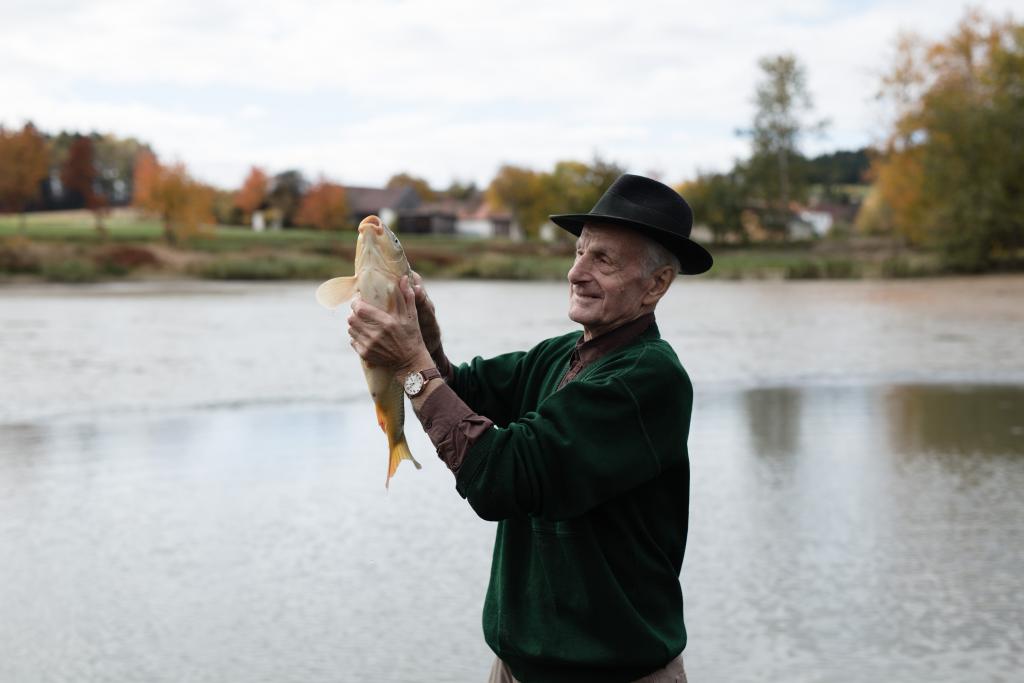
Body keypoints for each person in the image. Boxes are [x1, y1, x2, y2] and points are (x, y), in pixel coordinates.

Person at [347, 174, 712, 683]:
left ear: (657, 284)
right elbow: (461, 391)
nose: (576, 272)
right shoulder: (558, 354)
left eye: (603, 260)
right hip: (516, 669)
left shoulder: (647, 378)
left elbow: (501, 478)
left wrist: (410, 367)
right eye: (580, 251)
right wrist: (425, 348)